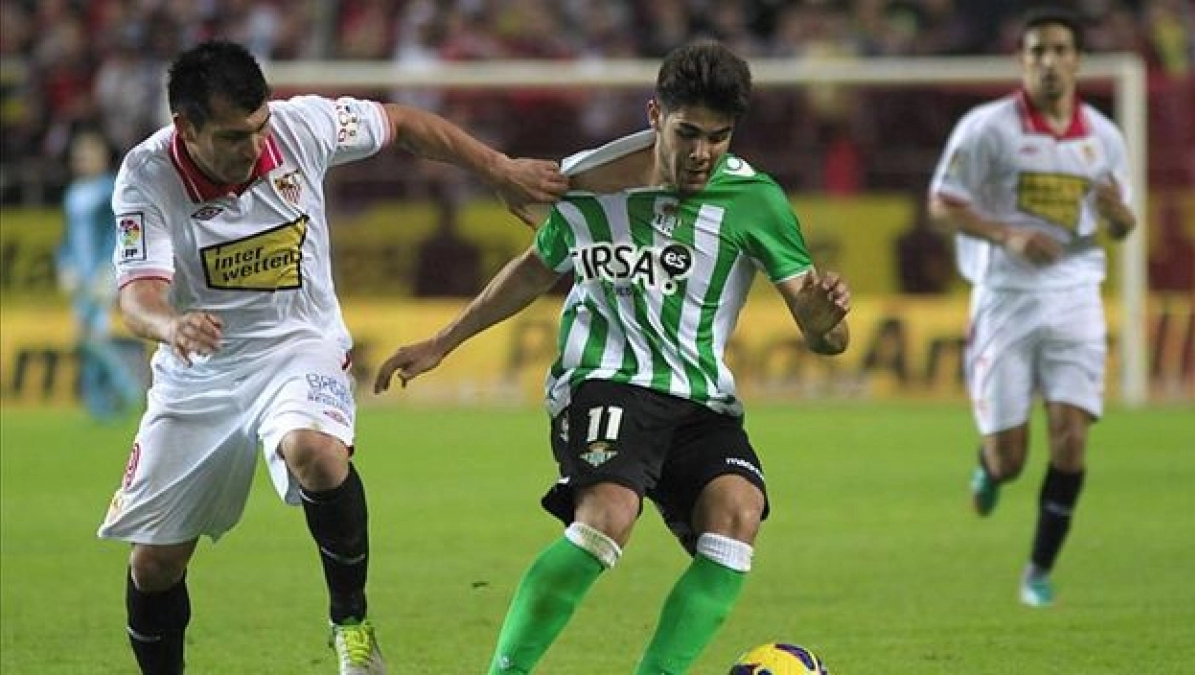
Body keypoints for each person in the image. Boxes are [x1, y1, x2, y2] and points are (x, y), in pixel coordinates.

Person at [374, 41, 852, 674]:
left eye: (718, 137)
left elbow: (825, 337)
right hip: (604, 378)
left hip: (700, 398)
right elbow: (535, 268)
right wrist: (443, 341)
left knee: (737, 514)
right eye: (688, 133)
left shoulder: (755, 200)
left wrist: (822, 323)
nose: (702, 153)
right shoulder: (587, 183)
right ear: (655, 115)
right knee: (609, 514)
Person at [96, 39, 567, 675]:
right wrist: (171, 324)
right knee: (154, 565)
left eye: (260, 127)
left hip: (300, 344)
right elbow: (138, 297)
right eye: (235, 136)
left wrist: (499, 169)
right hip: (199, 369)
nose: (255, 146)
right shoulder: (147, 175)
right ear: (186, 127)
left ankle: (352, 625)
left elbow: (402, 122)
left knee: (314, 451)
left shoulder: (303, 126)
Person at [928, 8, 1137, 608]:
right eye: (1037, 51)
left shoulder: (1105, 137)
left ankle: (1038, 572)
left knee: (1071, 438)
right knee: (1011, 457)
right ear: (1022, 60)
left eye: (1060, 50)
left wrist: (1121, 217)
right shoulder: (986, 128)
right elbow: (942, 206)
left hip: (1076, 297)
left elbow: (1122, 225)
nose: (1049, 62)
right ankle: (989, 468)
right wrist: (1006, 235)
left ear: (1078, 60)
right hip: (1005, 299)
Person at [57, 127, 144, 419]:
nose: (82, 160)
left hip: (102, 276)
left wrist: (110, 268)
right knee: (84, 339)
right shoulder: (72, 193)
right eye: (78, 155)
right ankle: (99, 406)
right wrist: (65, 264)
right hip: (80, 278)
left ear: (103, 156)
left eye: (88, 154)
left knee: (93, 336)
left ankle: (130, 391)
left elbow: (119, 231)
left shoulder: (111, 189)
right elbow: (67, 237)